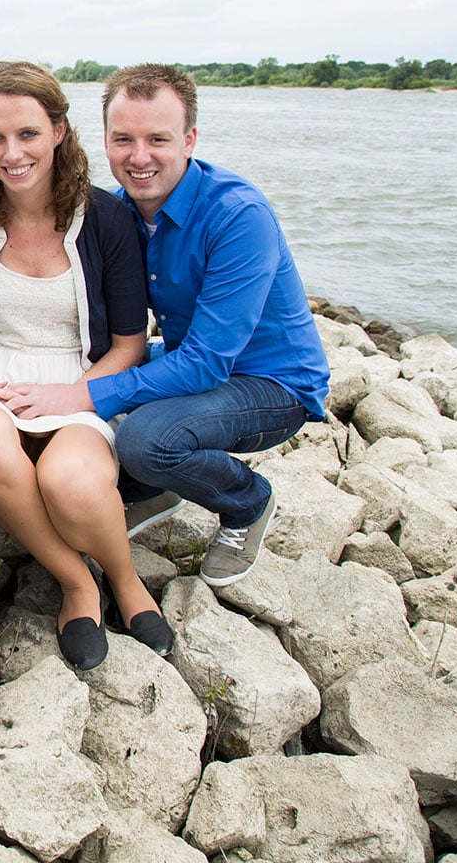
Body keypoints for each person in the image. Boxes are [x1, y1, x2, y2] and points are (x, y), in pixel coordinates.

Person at [53, 63, 329, 587]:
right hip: (189, 359)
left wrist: (84, 396)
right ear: (105, 142)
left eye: (158, 139)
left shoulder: (237, 215)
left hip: (272, 383)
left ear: (189, 140)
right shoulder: (117, 211)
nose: (139, 158)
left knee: (144, 438)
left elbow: (206, 362)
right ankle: (155, 490)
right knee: (75, 367)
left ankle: (247, 502)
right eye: (123, 139)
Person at [0, 61, 173, 671]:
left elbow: (129, 344)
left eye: (27, 133)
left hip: (82, 377)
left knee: (69, 481)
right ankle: (79, 583)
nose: (11, 152)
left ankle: (125, 579)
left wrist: (68, 395)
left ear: (59, 132)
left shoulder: (107, 219)